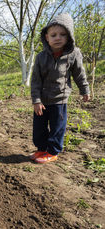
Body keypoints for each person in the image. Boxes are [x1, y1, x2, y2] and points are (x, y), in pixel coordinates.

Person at [30, 13, 90, 164]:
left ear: (69, 37)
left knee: (57, 128)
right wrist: (36, 100)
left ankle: (52, 152)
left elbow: (79, 74)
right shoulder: (41, 57)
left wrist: (84, 90)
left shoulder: (73, 55)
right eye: (54, 35)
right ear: (46, 37)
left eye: (63, 34)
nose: (58, 38)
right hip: (42, 101)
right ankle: (42, 149)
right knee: (39, 129)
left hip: (60, 100)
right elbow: (36, 81)